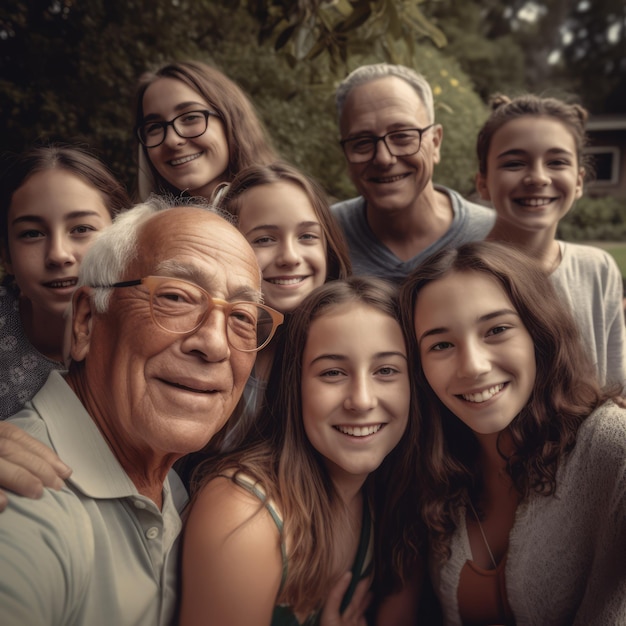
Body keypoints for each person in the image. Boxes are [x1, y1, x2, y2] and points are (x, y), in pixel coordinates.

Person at [0, 196, 284, 625]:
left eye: (242, 317)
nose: (215, 343)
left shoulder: (177, 489)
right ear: (85, 322)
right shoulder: (22, 501)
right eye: (176, 296)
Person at [399, 241, 626, 625]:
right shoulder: (434, 466)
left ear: (538, 334)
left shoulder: (611, 447)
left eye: (497, 329)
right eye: (441, 344)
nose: (472, 366)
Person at [179, 277, 422, 626]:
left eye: (386, 371)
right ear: (295, 387)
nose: (362, 401)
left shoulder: (394, 499)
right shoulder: (244, 513)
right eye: (333, 372)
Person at [476, 93, 626, 394]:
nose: (538, 177)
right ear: (483, 183)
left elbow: (616, 386)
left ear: (579, 181)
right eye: (515, 163)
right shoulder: (462, 278)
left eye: (556, 162)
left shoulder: (598, 268)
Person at [211, 161, 351, 451]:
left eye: (307, 236)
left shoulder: (351, 349)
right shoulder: (210, 353)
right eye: (264, 239)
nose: (290, 256)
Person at [331, 63, 494, 283]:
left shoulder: (494, 236)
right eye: (362, 142)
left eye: (402, 136)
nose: (383, 158)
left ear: (435, 143)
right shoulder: (325, 238)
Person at [0, 143, 129, 420]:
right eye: (32, 234)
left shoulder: (151, 330)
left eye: (81, 229)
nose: (58, 254)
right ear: (6, 256)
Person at [133, 60, 277, 201]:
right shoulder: (144, 224)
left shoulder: (283, 211)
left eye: (190, 118)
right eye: (154, 127)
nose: (172, 140)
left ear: (231, 120)